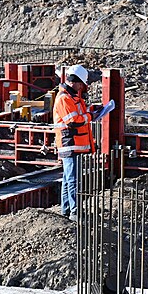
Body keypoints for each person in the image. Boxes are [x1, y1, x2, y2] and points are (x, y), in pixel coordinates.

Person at [53, 65, 97, 220]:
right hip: (69, 143)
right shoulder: (64, 98)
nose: (81, 87)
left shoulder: (72, 98)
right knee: (72, 180)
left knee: (68, 179)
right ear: (74, 82)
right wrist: (90, 116)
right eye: (80, 84)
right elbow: (73, 121)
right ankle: (74, 211)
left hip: (73, 143)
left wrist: (91, 110)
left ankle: (66, 210)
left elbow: (79, 114)